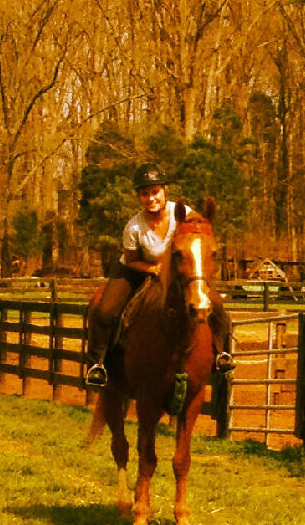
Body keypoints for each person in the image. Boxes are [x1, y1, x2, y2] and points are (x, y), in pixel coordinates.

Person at [83, 165, 236, 390]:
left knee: (215, 303)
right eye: (145, 194)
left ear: (165, 191)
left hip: (175, 271)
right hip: (134, 269)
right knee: (106, 310)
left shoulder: (184, 214)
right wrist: (152, 269)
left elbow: (199, 236)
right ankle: (98, 364)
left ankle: (222, 353)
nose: (150, 198)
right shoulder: (133, 227)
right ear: (139, 197)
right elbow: (132, 259)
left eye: (155, 192)